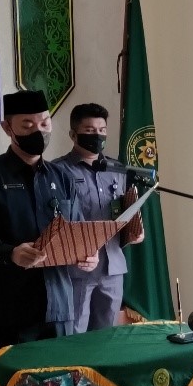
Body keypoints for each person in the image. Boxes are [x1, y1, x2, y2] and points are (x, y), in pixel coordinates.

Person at [0, 90, 94, 350]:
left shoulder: (62, 177)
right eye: (27, 125)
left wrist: (87, 254)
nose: (38, 132)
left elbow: (76, 229)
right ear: (7, 128)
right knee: (14, 377)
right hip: (10, 311)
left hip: (60, 308)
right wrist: (11, 253)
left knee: (63, 375)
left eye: (44, 123)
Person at [55, 102, 144, 333]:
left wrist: (134, 230)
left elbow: (122, 210)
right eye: (90, 130)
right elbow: (56, 221)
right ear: (73, 134)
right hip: (77, 269)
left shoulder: (117, 168)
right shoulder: (58, 171)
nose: (97, 136)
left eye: (102, 130)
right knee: (75, 336)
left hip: (113, 266)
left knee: (107, 337)